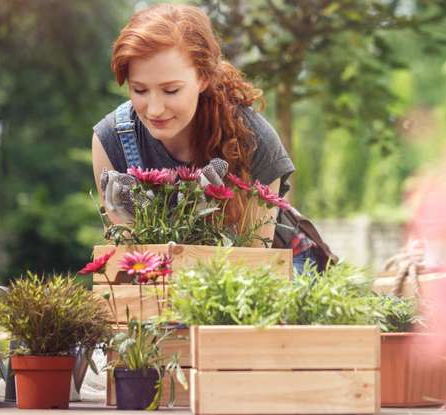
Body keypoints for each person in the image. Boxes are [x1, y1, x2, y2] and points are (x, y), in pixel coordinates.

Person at [91, 3, 302, 258]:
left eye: (171, 90)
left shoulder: (254, 140)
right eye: (139, 90)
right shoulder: (112, 140)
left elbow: (254, 268)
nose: (155, 110)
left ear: (203, 78)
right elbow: (131, 261)